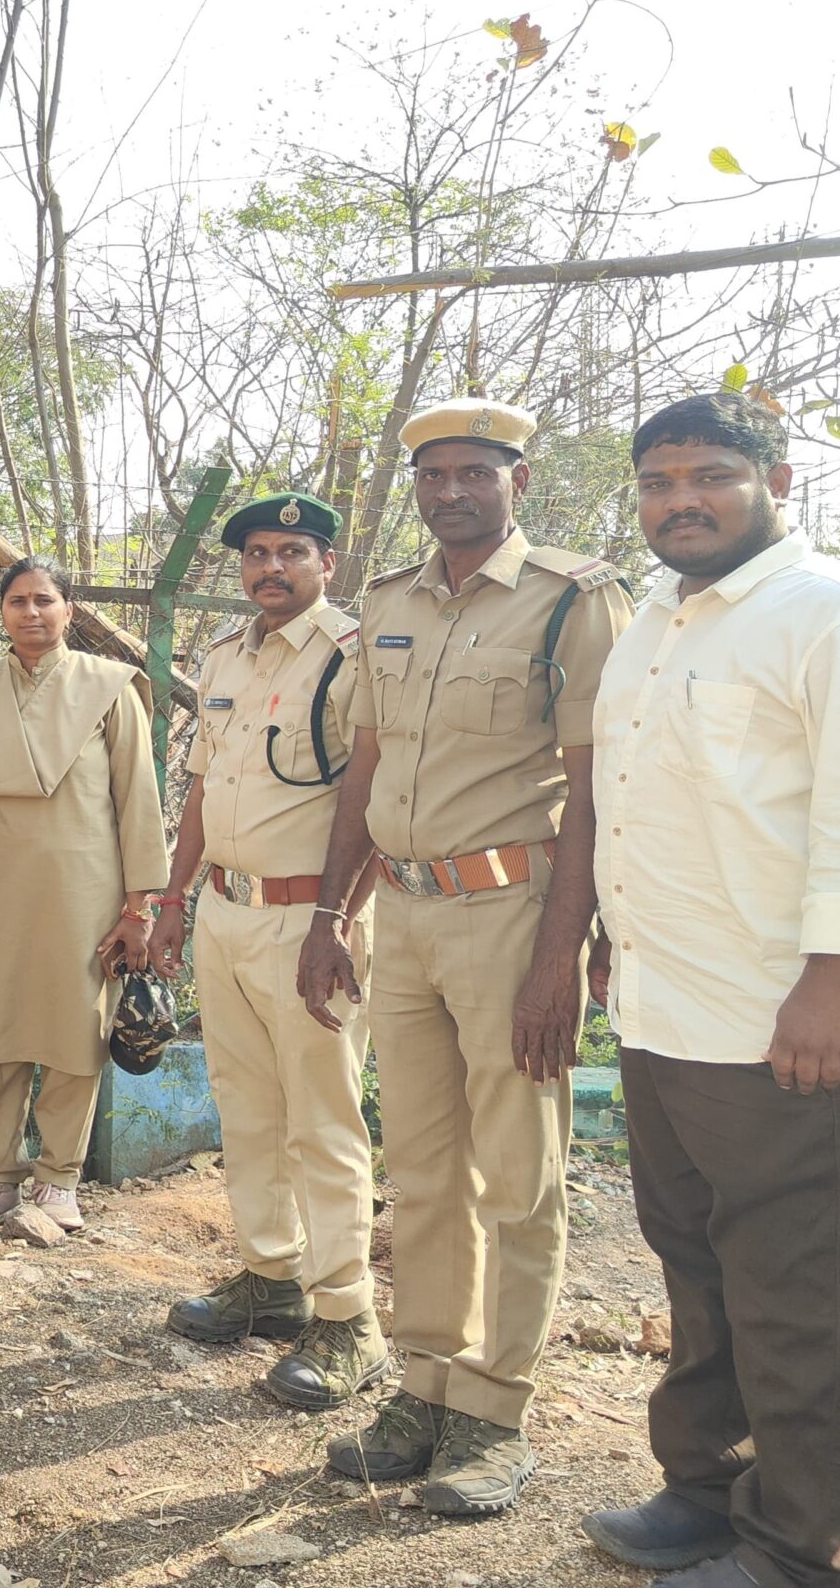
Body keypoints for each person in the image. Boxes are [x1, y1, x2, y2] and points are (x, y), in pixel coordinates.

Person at [302, 398, 631, 1516]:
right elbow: (366, 768)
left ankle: (494, 1408)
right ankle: (426, 1382)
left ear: (517, 481)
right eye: (431, 474)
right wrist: (327, 914)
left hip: (512, 920)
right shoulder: (389, 603)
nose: (448, 491)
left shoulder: (572, 603)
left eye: (471, 473)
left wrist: (561, 953)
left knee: (517, 1175)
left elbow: (592, 791)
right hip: (403, 914)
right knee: (424, 1166)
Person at [578, 393, 840, 1588]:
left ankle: (797, 1542)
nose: (679, 500)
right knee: (693, 1265)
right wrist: (605, 939)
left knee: (792, 1292)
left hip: (774, 1026)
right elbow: (633, 802)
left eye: (708, 477)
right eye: (658, 481)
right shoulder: (652, 618)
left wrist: (828, 982)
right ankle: (703, 1490)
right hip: (659, 1009)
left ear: (774, 478)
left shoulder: (820, 612)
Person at [159, 493, 386, 1412]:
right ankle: (271, 1275)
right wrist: (168, 899)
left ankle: (348, 1317)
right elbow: (206, 789)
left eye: (293, 550)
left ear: (327, 563)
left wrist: (336, 919)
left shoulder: (356, 657)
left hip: (311, 922)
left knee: (323, 1121)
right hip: (225, 911)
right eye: (257, 552)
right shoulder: (225, 656)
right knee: (245, 1107)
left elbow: (371, 798)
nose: (272, 568)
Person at [0, 557, 167, 1233]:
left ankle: (59, 1179)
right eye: (18, 602)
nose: (32, 613)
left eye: (45, 601)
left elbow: (138, 801)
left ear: (70, 610)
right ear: (2, 612)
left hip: (87, 883)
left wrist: (139, 908)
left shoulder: (110, 686)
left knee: (72, 1030)